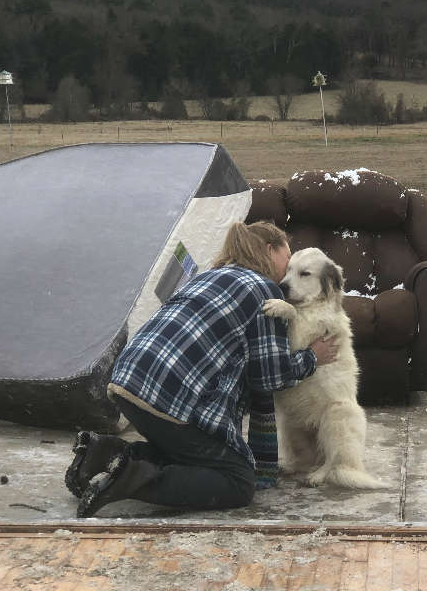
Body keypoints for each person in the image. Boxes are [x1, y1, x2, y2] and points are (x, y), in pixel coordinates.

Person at [65, 221, 339, 517]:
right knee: (236, 481)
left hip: (128, 381)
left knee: (195, 455)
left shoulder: (209, 276)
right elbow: (270, 376)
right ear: (270, 250)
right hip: (168, 397)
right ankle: (129, 479)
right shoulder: (264, 290)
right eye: (287, 261)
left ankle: (101, 454)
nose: (287, 276)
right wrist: (313, 356)